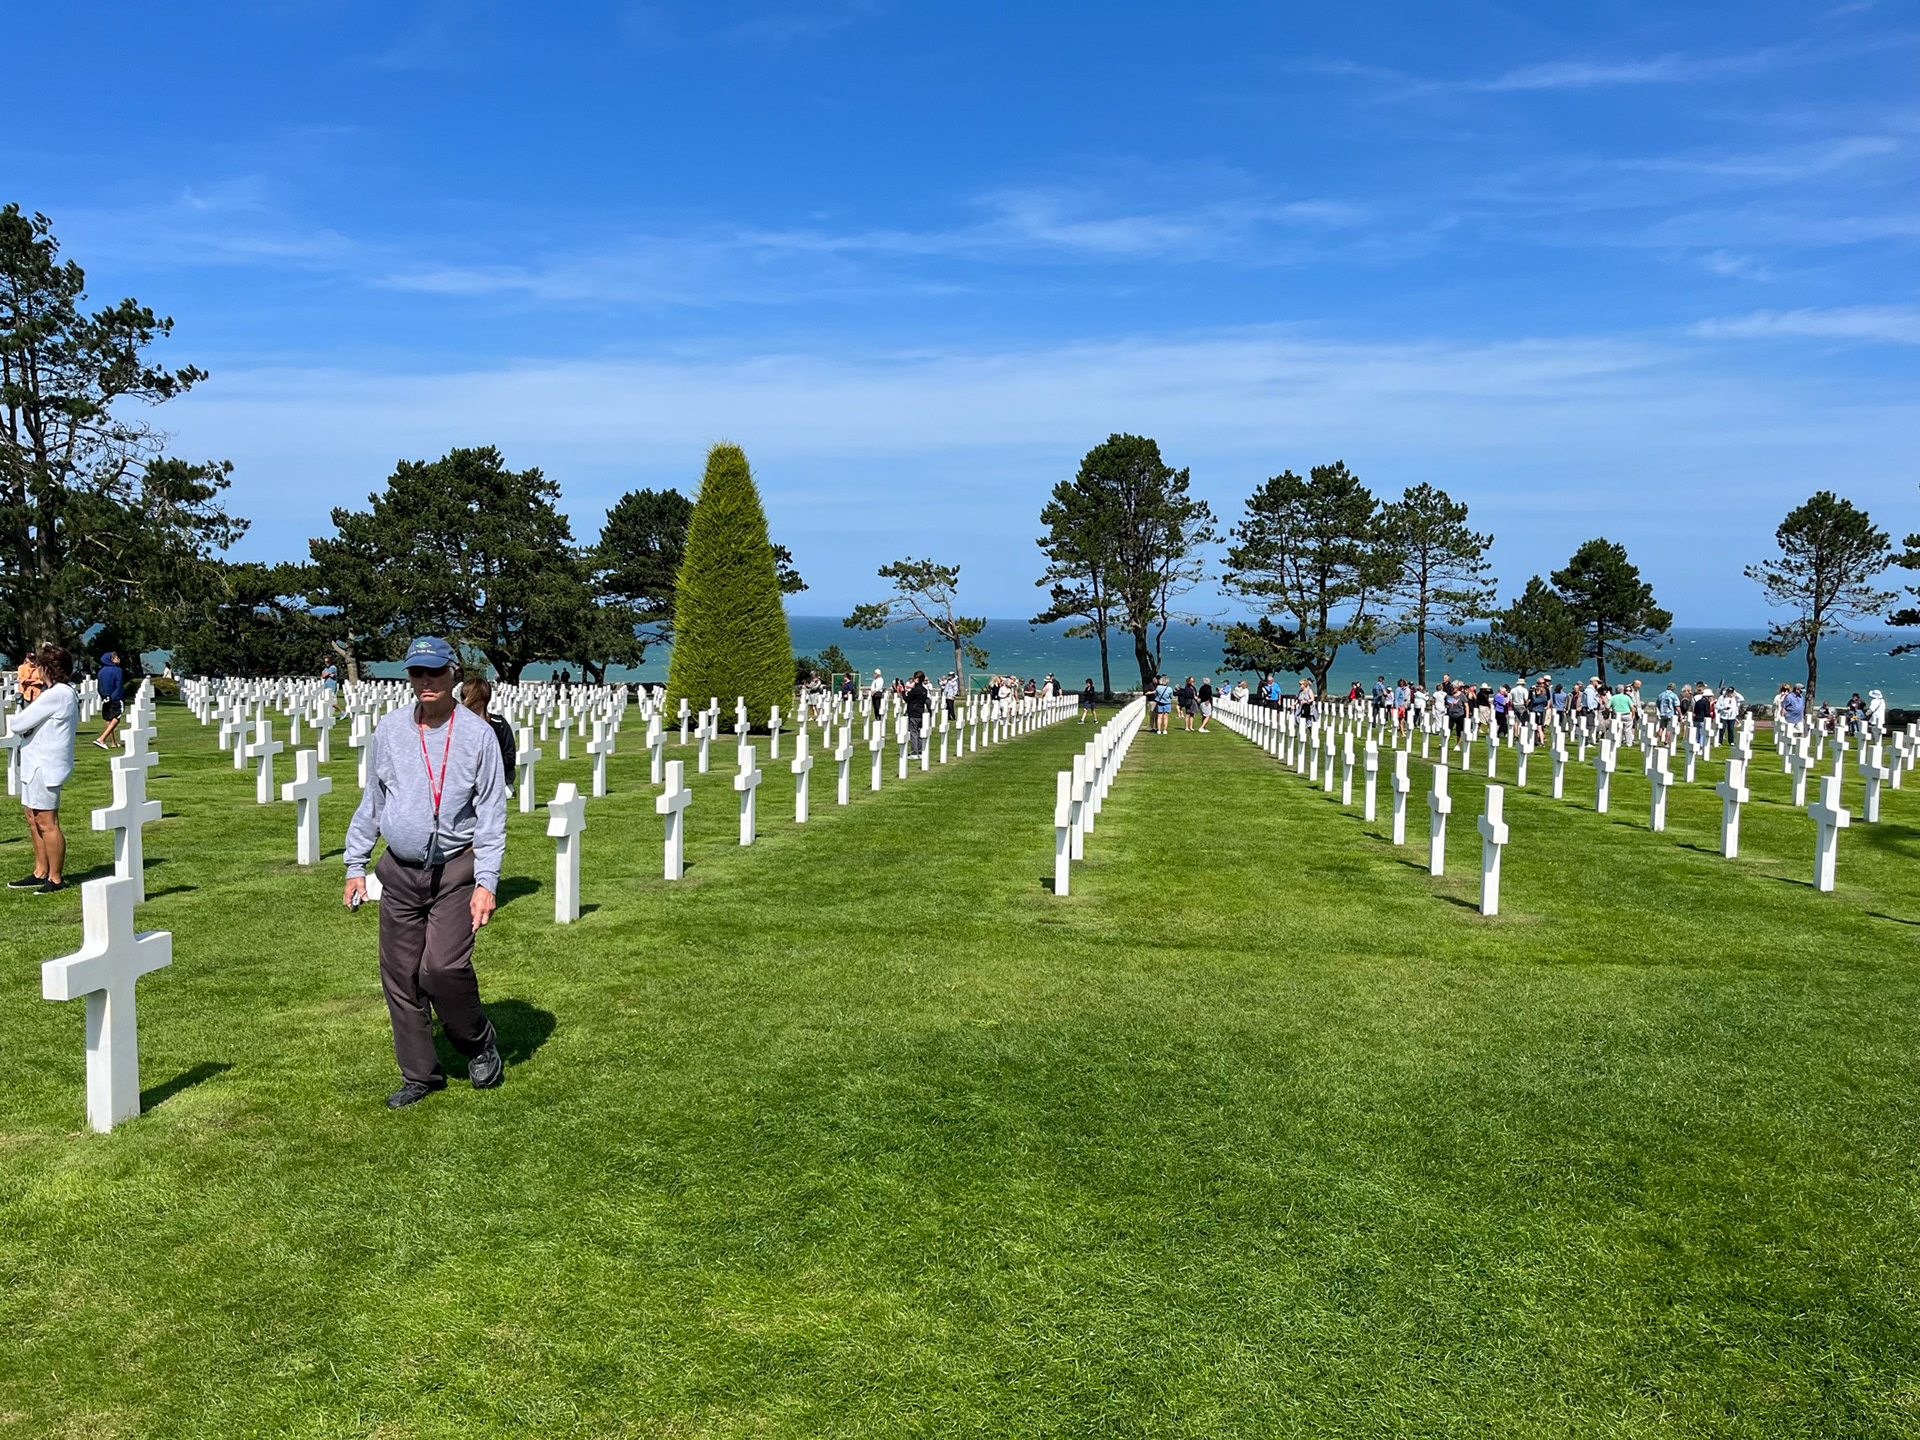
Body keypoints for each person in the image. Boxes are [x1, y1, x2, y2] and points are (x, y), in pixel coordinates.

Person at [342, 636, 507, 1110]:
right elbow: (374, 801)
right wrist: (355, 864)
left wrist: (486, 882)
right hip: (400, 873)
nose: (426, 681)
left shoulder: (477, 735)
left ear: (453, 673)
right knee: (401, 976)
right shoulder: (391, 729)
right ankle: (420, 1075)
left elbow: (491, 815)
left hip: (454, 872)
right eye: (417, 672)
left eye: (435, 671)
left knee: (442, 968)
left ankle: (476, 1040)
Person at [9, 644, 79, 894]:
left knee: (46, 820)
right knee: (33, 817)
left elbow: (18, 723)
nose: (37, 669)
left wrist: (25, 725)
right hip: (35, 763)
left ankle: (56, 877)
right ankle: (40, 870)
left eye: (39, 665)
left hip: (45, 765)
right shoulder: (60, 693)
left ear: (48, 668)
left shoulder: (56, 694)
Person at [461, 676, 517, 795]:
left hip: (495, 783)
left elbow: (509, 757)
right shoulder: (458, 725)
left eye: (466, 697)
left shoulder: (499, 724)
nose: (463, 701)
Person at [92, 650, 126, 749]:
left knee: (108, 719)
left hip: (105, 699)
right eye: (116, 657)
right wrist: (114, 696)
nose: (118, 659)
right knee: (116, 718)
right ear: (111, 660)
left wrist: (104, 696)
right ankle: (101, 739)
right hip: (116, 698)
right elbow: (119, 686)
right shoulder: (118, 670)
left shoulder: (101, 672)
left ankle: (113, 743)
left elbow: (99, 687)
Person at [905, 670, 930, 756]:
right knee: (919, 732)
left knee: (913, 733)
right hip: (920, 712)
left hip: (913, 713)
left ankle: (914, 752)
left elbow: (907, 699)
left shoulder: (915, 690)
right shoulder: (924, 690)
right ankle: (920, 750)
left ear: (917, 679)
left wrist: (902, 692)